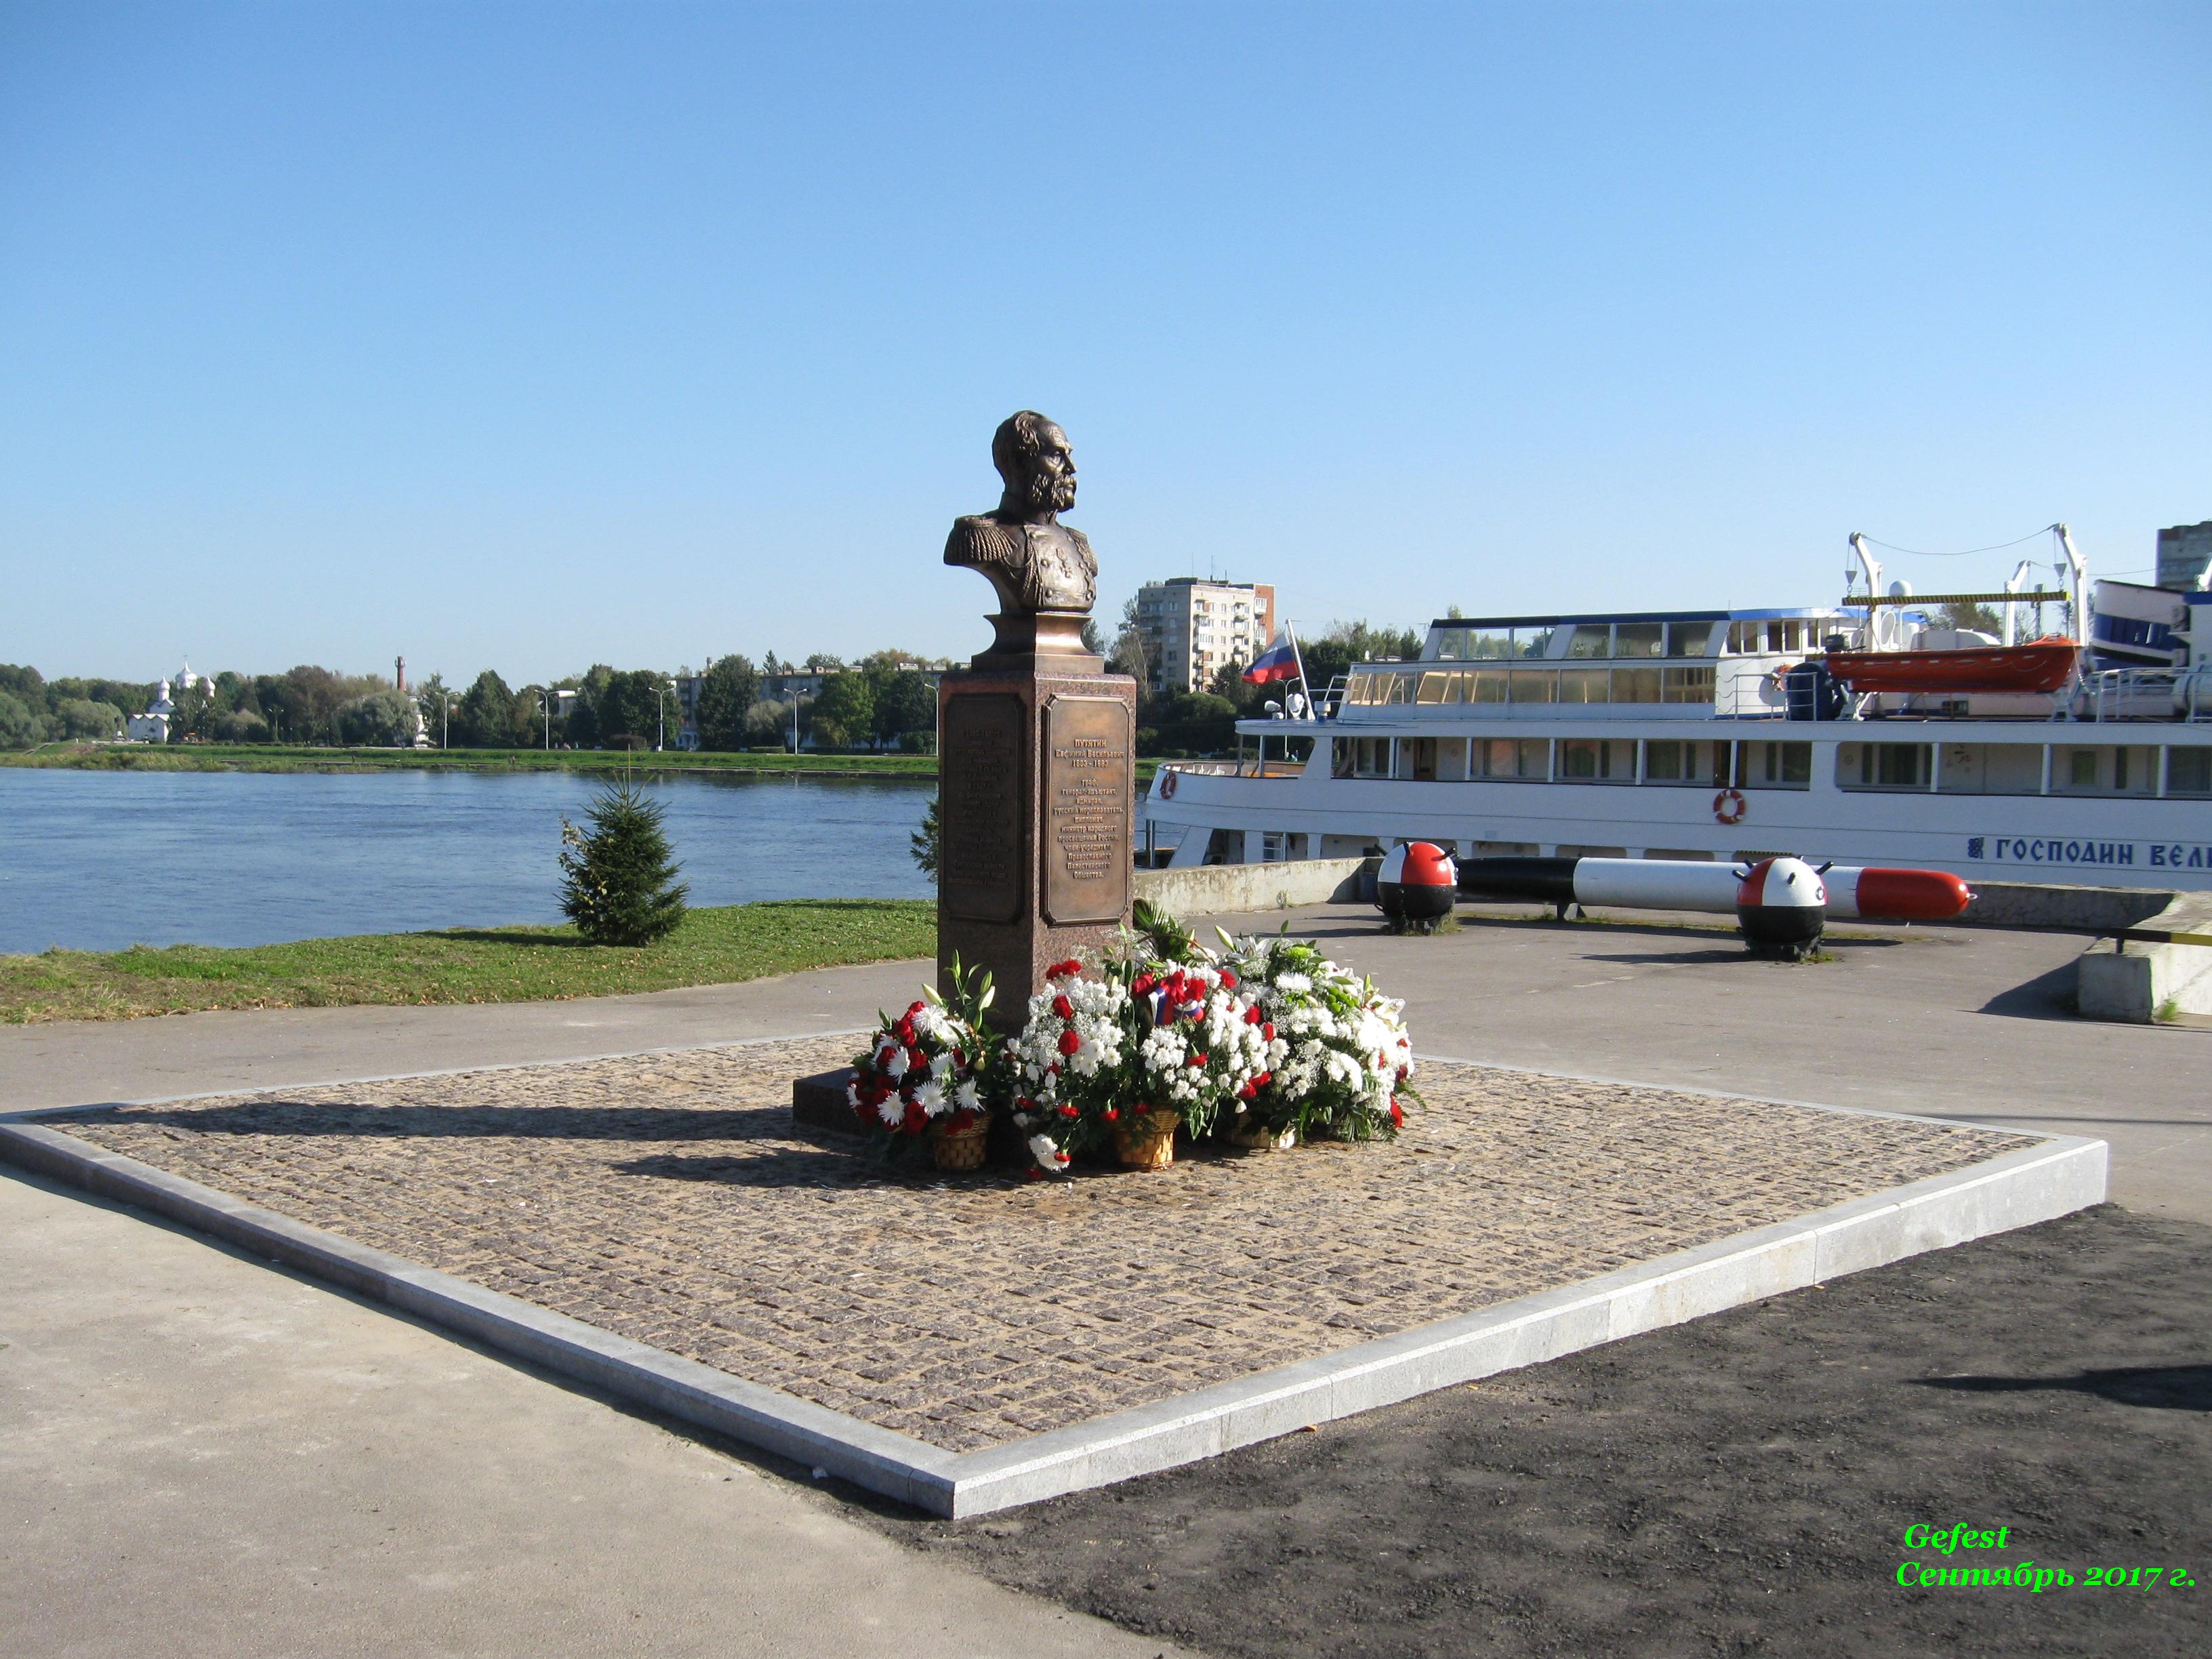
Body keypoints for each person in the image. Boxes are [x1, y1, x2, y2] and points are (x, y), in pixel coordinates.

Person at [944, 411, 1098, 614]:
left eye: (1069, 455)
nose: (1071, 468)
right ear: (1019, 462)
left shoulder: (1079, 544)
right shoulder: (978, 535)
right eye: (1056, 456)